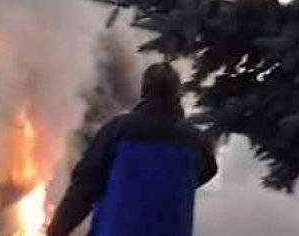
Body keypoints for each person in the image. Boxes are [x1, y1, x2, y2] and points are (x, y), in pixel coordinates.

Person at [46, 62, 218, 236]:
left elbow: (84, 187)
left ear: (144, 92)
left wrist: (56, 230)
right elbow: (209, 170)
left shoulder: (118, 130)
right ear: (177, 95)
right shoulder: (196, 143)